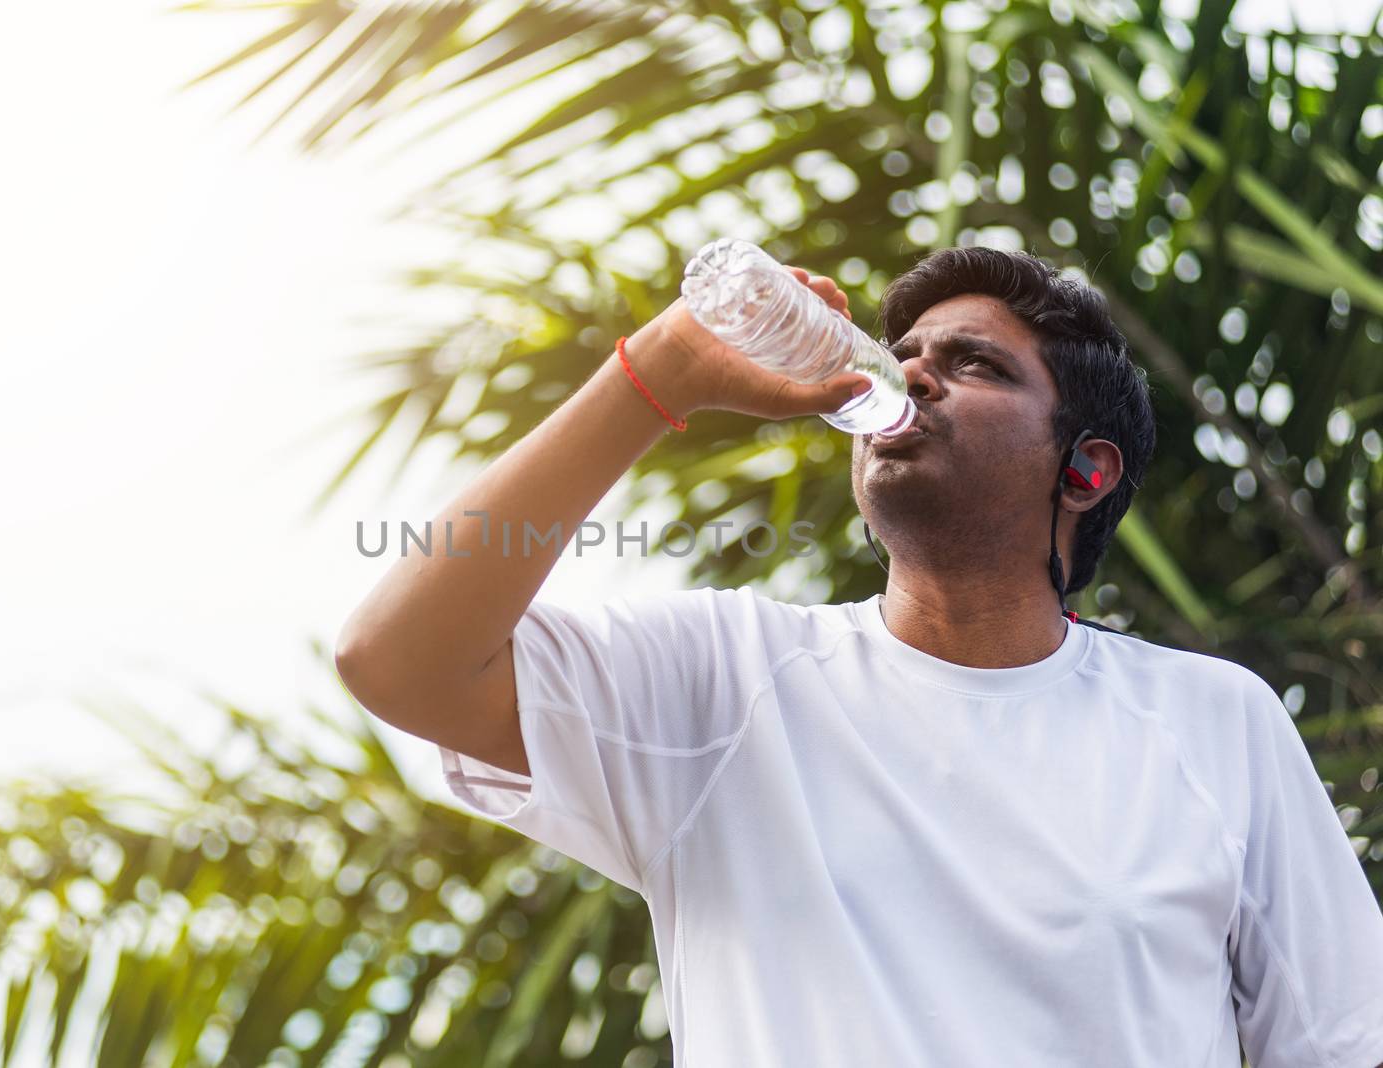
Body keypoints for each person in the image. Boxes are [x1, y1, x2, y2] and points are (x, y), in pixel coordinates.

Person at [335, 247, 1383, 1067]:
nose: (911, 372)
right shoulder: (719, 681)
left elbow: (1345, 1041)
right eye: (905, 353)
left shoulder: (1210, 721)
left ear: (1086, 470)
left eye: (972, 364)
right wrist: (653, 373)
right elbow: (397, 660)